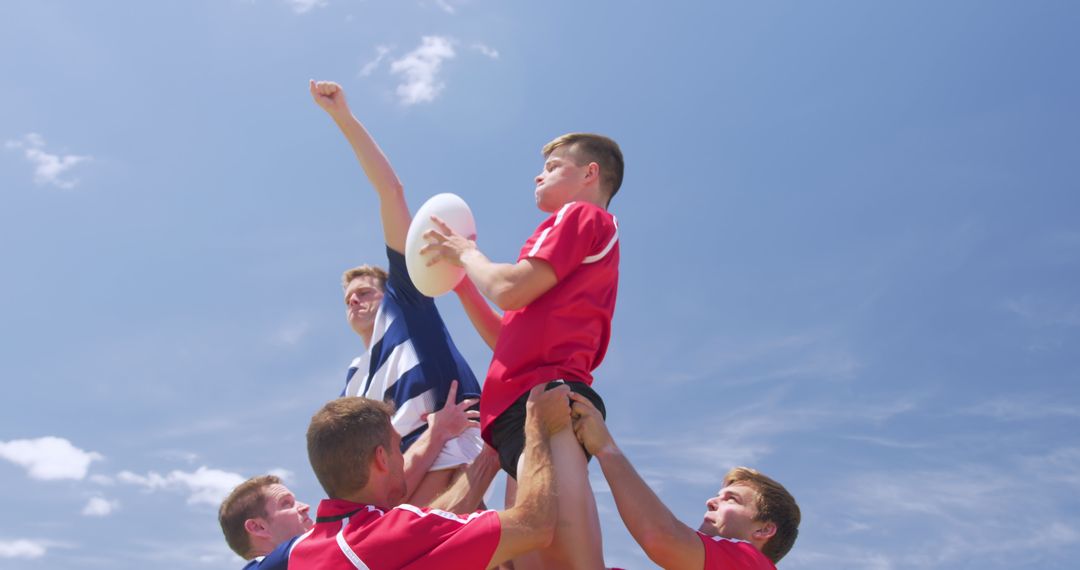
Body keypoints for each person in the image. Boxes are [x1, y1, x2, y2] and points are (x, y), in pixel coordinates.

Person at [422, 132, 624, 568]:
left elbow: (508, 289)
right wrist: (462, 284)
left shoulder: (580, 215)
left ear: (591, 174)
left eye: (553, 167)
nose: (539, 174)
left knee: (566, 560)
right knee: (537, 559)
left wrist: (467, 254)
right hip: (520, 411)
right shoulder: (569, 238)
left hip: (546, 401)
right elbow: (506, 340)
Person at [311, 79, 495, 506]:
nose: (354, 300)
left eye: (364, 292)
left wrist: (343, 117)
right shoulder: (351, 386)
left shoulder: (405, 305)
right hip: (394, 496)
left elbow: (390, 191)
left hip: (448, 464)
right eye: (348, 298)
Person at [287, 384, 571, 569]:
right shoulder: (385, 537)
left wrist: (487, 460)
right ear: (381, 459)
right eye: (399, 446)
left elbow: (430, 528)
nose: (402, 455)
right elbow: (535, 525)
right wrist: (537, 429)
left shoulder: (302, 553)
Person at [219, 391, 495, 569]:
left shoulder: (318, 554)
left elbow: (400, 527)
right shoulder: (271, 565)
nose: (304, 507)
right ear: (256, 527)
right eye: (286, 503)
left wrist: (446, 442)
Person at [570, 394, 801, 569]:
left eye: (732, 499)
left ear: (764, 529)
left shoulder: (753, 564)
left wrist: (605, 448)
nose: (710, 501)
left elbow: (662, 536)